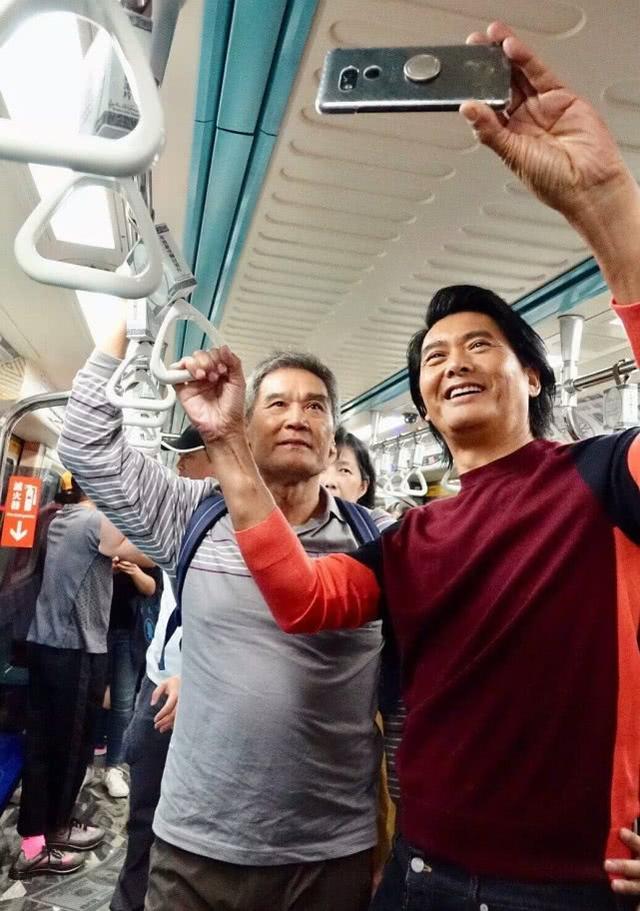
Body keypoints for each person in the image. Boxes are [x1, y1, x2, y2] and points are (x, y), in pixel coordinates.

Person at [165, 23, 640, 911]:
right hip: (424, 871)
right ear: (422, 403)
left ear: (532, 375)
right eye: (434, 356)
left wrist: (606, 204)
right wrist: (228, 443)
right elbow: (304, 599)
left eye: (480, 344)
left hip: (570, 885)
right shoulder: (411, 538)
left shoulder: (605, 480)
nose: (453, 361)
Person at [58, 346, 393, 911]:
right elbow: (86, 444)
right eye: (277, 404)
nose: (296, 417)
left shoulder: (379, 540)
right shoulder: (190, 513)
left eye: (315, 407)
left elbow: (407, 690)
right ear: (246, 428)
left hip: (329, 852)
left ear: (333, 443)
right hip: (197, 845)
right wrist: (126, 331)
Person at [10, 473, 153, 880]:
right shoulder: (94, 522)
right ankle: (39, 842)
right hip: (74, 649)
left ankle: (50, 828)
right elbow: (152, 554)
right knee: (67, 748)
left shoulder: (63, 518)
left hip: (51, 645)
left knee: (49, 744)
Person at [109, 426, 213, 911]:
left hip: (211, 693)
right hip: (159, 680)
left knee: (194, 824)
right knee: (145, 811)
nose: (179, 467)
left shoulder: (247, 525)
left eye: (187, 457)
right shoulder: (183, 519)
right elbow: (120, 545)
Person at [101, 556, 162, 800]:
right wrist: (107, 570)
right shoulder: (101, 541)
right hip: (95, 628)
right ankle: (82, 762)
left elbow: (152, 588)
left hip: (130, 630)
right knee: (87, 697)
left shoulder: (142, 548)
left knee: (123, 702)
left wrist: (134, 571)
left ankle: (113, 766)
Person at [321, 426, 376, 508]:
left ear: (362, 487)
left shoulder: (375, 516)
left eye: (345, 470)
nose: (329, 482)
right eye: (321, 469)